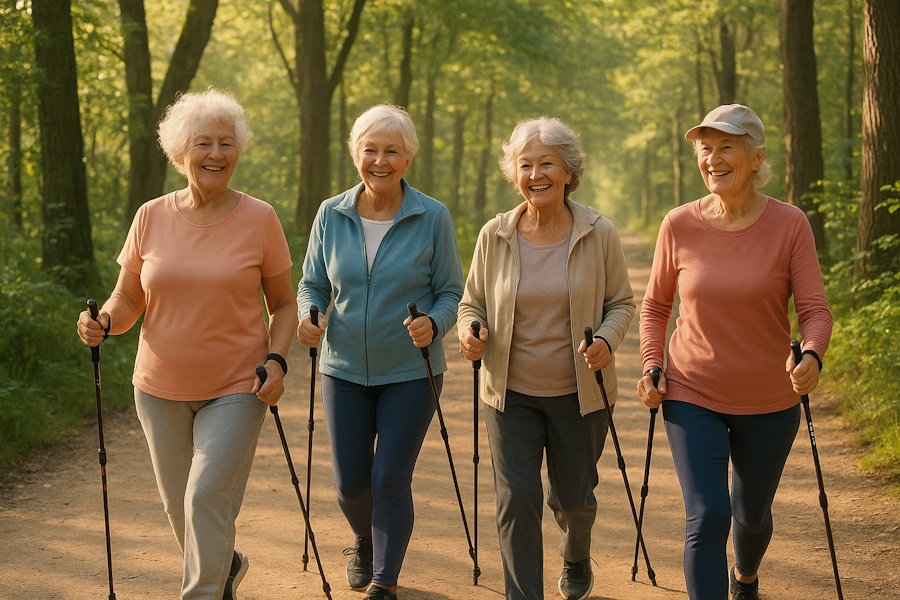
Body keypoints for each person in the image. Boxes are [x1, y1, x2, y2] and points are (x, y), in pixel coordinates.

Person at [76, 89, 298, 600]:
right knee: (180, 507)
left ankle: (203, 590)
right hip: (158, 388)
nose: (216, 154)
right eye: (203, 143)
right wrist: (104, 322)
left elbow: (283, 304)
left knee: (204, 500)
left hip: (239, 386)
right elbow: (128, 298)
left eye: (226, 143)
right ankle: (226, 564)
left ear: (238, 151)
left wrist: (277, 360)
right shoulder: (150, 216)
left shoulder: (260, 218)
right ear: (181, 153)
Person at [637, 104, 833, 600]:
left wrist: (811, 356)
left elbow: (814, 310)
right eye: (705, 148)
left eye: (726, 147)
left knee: (750, 516)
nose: (712, 158)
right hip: (691, 390)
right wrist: (652, 364)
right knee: (707, 514)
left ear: (755, 158)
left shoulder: (790, 224)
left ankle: (745, 576)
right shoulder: (678, 224)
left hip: (770, 398)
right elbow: (656, 307)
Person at [458, 117, 636, 600]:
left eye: (546, 164)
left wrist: (605, 339)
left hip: (580, 393)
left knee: (573, 500)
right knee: (516, 500)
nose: (535, 174)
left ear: (568, 171)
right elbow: (470, 301)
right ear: (514, 174)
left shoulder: (599, 233)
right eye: (525, 165)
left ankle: (576, 553)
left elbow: (622, 302)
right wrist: (470, 330)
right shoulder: (494, 235)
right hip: (508, 394)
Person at [295, 104, 464, 600]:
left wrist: (433, 324)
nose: (380, 160)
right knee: (350, 484)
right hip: (343, 369)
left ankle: (385, 581)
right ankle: (364, 542)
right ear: (356, 154)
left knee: (389, 475)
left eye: (392, 151)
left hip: (412, 371)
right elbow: (311, 283)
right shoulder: (331, 213)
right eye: (371, 149)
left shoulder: (432, 216)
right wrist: (311, 315)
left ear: (408, 159)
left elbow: (452, 291)